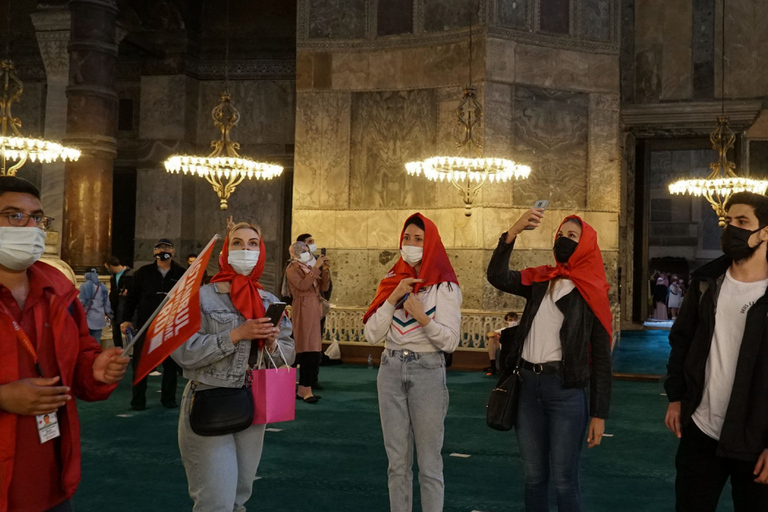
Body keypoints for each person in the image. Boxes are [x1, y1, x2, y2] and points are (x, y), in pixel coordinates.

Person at [0, 176, 129, 512]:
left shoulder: (58, 291)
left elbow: (80, 361)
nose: (30, 226)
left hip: (51, 478)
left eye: (37, 217)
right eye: (14, 216)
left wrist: (96, 370)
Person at [487, 208, 612, 512]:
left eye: (572, 236)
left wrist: (599, 413)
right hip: (527, 386)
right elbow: (498, 276)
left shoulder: (592, 291)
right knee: (533, 476)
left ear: (585, 246)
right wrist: (512, 232)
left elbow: (602, 360)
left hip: (565, 391)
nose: (564, 241)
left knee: (564, 480)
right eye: (560, 235)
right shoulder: (541, 278)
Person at [172, 222, 295, 512]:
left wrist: (273, 343)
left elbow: (288, 355)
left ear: (261, 251)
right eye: (237, 243)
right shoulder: (201, 297)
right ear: (226, 251)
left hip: (254, 403)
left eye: (253, 243)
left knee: (240, 496)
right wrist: (237, 334)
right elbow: (183, 353)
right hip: (211, 397)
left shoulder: (269, 301)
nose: (245, 249)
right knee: (216, 501)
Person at [664, 191, 768, 511]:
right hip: (701, 429)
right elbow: (682, 341)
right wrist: (677, 397)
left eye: (742, 221)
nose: (731, 229)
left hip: (755, 439)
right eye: (727, 222)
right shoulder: (707, 282)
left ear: (765, 231)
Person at [364, 213, 462, 512]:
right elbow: (371, 334)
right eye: (407, 238)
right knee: (397, 463)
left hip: (428, 370)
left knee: (430, 463)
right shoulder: (391, 281)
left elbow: (449, 342)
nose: (411, 244)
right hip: (391, 368)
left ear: (430, 243)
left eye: (418, 239)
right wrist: (393, 296)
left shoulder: (445, 287)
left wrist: (422, 317)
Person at [120, 238, 186, 410]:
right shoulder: (143, 272)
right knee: (140, 363)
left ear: (173, 251)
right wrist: (126, 319)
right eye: (159, 247)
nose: (163, 250)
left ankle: (168, 398)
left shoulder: (181, 273)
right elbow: (132, 298)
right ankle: (138, 400)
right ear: (154, 252)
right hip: (146, 325)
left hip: (171, 326)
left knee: (171, 364)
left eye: (167, 247)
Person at [285, 241, 330, 403]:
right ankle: (300, 388)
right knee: (304, 347)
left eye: (306, 250)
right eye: (302, 251)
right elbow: (303, 286)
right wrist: (316, 267)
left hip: (313, 308)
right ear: (294, 254)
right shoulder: (292, 269)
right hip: (302, 307)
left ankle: (306, 388)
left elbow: (323, 287)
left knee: (313, 348)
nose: (306, 253)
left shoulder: (310, 268)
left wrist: (324, 270)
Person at [104, 256, 134, 348]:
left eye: (107, 267)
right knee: (115, 330)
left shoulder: (131, 274)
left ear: (111, 266)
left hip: (126, 306)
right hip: (115, 307)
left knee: (128, 330)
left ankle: (132, 348)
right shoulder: (113, 277)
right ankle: (119, 349)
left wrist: (128, 292)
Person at [78, 268, 113, 343]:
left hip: (87, 317)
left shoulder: (84, 286)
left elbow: (82, 302)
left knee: (85, 340)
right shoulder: (103, 286)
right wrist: (110, 315)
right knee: (96, 341)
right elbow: (107, 304)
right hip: (99, 318)